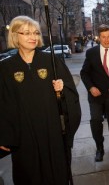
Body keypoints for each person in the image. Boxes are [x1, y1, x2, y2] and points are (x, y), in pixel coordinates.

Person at [0, 15, 81, 184]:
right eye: (27, 33)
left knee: (56, 175)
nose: (33, 37)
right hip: (24, 137)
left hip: (52, 133)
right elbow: (3, 104)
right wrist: (4, 135)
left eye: (36, 33)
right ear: (15, 35)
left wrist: (62, 88)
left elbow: (71, 93)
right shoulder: (6, 68)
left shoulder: (51, 61)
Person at [80, 24, 109, 162]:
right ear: (99, 38)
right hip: (96, 96)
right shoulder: (91, 53)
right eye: (103, 37)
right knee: (96, 121)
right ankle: (99, 148)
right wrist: (90, 87)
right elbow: (84, 73)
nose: (106, 40)